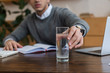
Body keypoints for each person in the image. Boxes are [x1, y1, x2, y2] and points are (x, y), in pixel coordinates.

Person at [3, 0, 89, 51]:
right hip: (41, 63)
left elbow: (81, 23)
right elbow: (11, 36)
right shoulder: (29, 20)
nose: (37, 0)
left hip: (66, 58)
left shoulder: (61, 13)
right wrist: (9, 41)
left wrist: (79, 28)